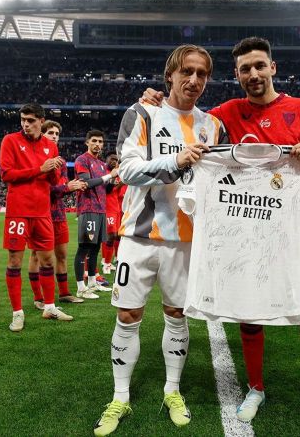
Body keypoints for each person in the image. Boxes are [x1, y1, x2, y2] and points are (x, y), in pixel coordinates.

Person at [141, 36, 300, 432]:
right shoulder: (225, 115)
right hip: (247, 229)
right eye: (245, 69)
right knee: (249, 307)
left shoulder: (299, 108)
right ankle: (255, 387)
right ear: (236, 76)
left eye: (259, 66)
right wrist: (158, 102)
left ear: (273, 68)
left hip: (292, 228)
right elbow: (186, 116)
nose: (253, 74)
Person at [93, 44, 225, 436]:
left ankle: (172, 390)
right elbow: (128, 169)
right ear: (170, 74)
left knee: (177, 316)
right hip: (138, 236)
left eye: (202, 73)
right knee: (128, 316)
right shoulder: (143, 113)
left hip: (186, 241)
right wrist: (176, 161)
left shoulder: (213, 125)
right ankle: (120, 397)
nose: (195, 80)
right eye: (187, 71)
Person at [0, 104, 74, 331]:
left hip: (42, 212)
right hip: (18, 211)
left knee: (48, 261)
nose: (25, 124)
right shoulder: (10, 140)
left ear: (41, 121)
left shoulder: (49, 146)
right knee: (14, 261)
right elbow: (6, 174)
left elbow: (52, 182)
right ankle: (17, 313)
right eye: (23, 119)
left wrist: (53, 169)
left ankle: (49, 307)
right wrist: (40, 168)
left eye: (31, 120)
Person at [39, 120, 86, 306]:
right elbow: (44, 189)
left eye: (57, 134)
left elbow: (62, 186)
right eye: (50, 132)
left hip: (58, 213)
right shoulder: (38, 159)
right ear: (42, 135)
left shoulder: (61, 162)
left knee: (62, 255)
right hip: (42, 213)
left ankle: (65, 293)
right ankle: (38, 298)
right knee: (39, 257)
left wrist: (69, 187)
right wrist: (65, 187)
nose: (54, 136)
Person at [74, 130, 117, 298]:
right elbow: (86, 182)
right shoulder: (82, 160)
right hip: (88, 209)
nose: (97, 144)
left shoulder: (100, 164)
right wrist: (109, 176)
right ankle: (80, 288)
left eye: (100, 141)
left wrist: (113, 179)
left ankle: (92, 283)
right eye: (94, 141)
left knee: (95, 249)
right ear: (87, 142)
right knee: (84, 248)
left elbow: (105, 188)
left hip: (100, 210)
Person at [101, 154, 124, 275]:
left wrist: (122, 180)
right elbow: (108, 189)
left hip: (116, 208)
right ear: (107, 160)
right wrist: (115, 177)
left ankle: (108, 262)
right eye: (112, 159)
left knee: (115, 236)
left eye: (116, 160)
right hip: (108, 209)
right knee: (110, 236)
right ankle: (106, 263)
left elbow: (116, 191)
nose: (114, 161)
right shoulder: (105, 173)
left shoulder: (117, 174)